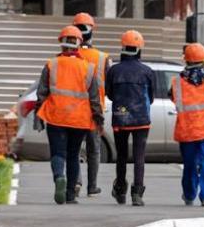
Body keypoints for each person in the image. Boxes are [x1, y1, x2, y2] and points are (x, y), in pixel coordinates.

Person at [34, 25, 104, 204]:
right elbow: (94, 98)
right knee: (73, 155)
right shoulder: (88, 68)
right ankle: (71, 195)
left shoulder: (51, 64)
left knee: (58, 153)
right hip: (79, 120)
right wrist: (98, 119)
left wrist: (38, 115)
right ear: (79, 44)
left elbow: (41, 93)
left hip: (56, 116)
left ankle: (59, 177)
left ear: (62, 44)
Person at [170, 43, 204, 207]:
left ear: (185, 59)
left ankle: (189, 195)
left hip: (187, 130)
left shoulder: (177, 82)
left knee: (189, 164)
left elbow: (174, 99)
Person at [106, 30, 154, 206]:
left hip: (121, 117)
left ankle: (120, 189)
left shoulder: (113, 70)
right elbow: (152, 96)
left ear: (123, 48)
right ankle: (137, 193)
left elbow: (110, 94)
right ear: (139, 49)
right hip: (142, 119)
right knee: (139, 157)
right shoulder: (147, 71)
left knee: (122, 156)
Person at [72, 12, 110, 196]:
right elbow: (108, 87)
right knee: (94, 150)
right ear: (92, 30)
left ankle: (76, 182)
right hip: (95, 111)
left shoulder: (69, 56)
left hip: (74, 111)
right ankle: (92, 186)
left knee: (74, 149)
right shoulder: (102, 58)